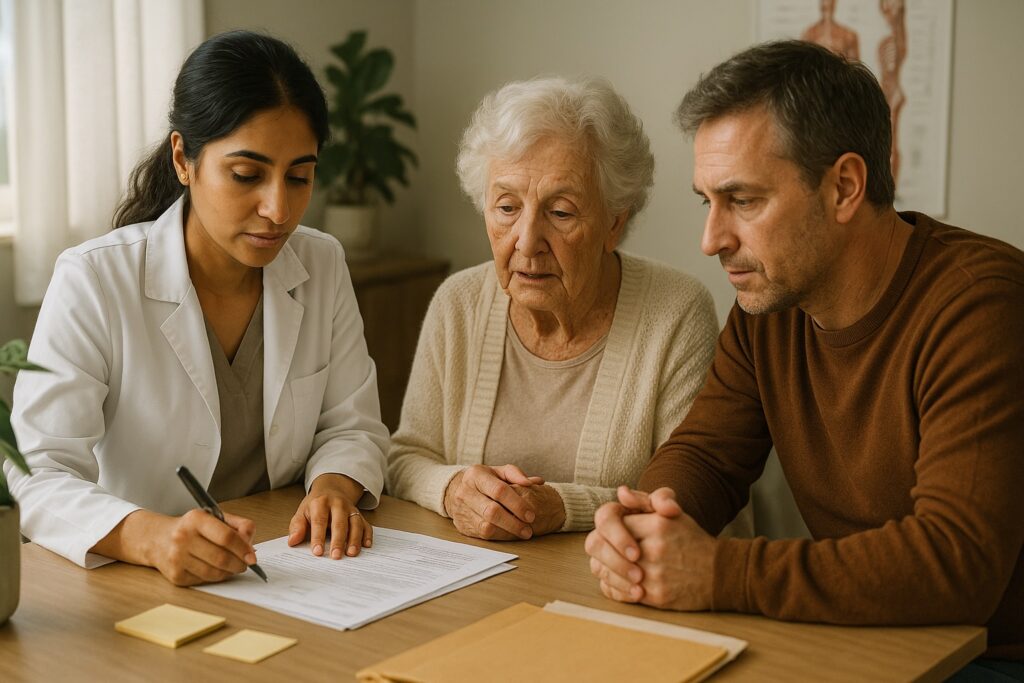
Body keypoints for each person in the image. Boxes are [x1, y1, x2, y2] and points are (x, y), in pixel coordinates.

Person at [585, 40, 1024, 669]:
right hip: (866, 640)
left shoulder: (980, 306)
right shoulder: (769, 306)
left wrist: (719, 572)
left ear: (844, 186)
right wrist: (643, 527)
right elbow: (706, 456)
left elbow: (958, 562)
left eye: (743, 200)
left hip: (990, 658)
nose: (711, 240)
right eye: (705, 202)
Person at [6, 31, 389, 586]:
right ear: (184, 158)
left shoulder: (321, 263)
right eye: (247, 175)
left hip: (292, 568)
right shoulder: (94, 278)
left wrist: (333, 485)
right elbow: (37, 471)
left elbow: (353, 426)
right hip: (135, 580)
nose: (278, 209)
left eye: (300, 176)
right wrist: (152, 536)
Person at [387, 76, 752, 541]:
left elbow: (687, 499)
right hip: (474, 587)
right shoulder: (457, 304)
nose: (526, 240)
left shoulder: (675, 312)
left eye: (560, 213)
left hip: (617, 587)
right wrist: (452, 487)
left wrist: (562, 507)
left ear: (614, 222)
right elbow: (404, 458)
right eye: (505, 207)